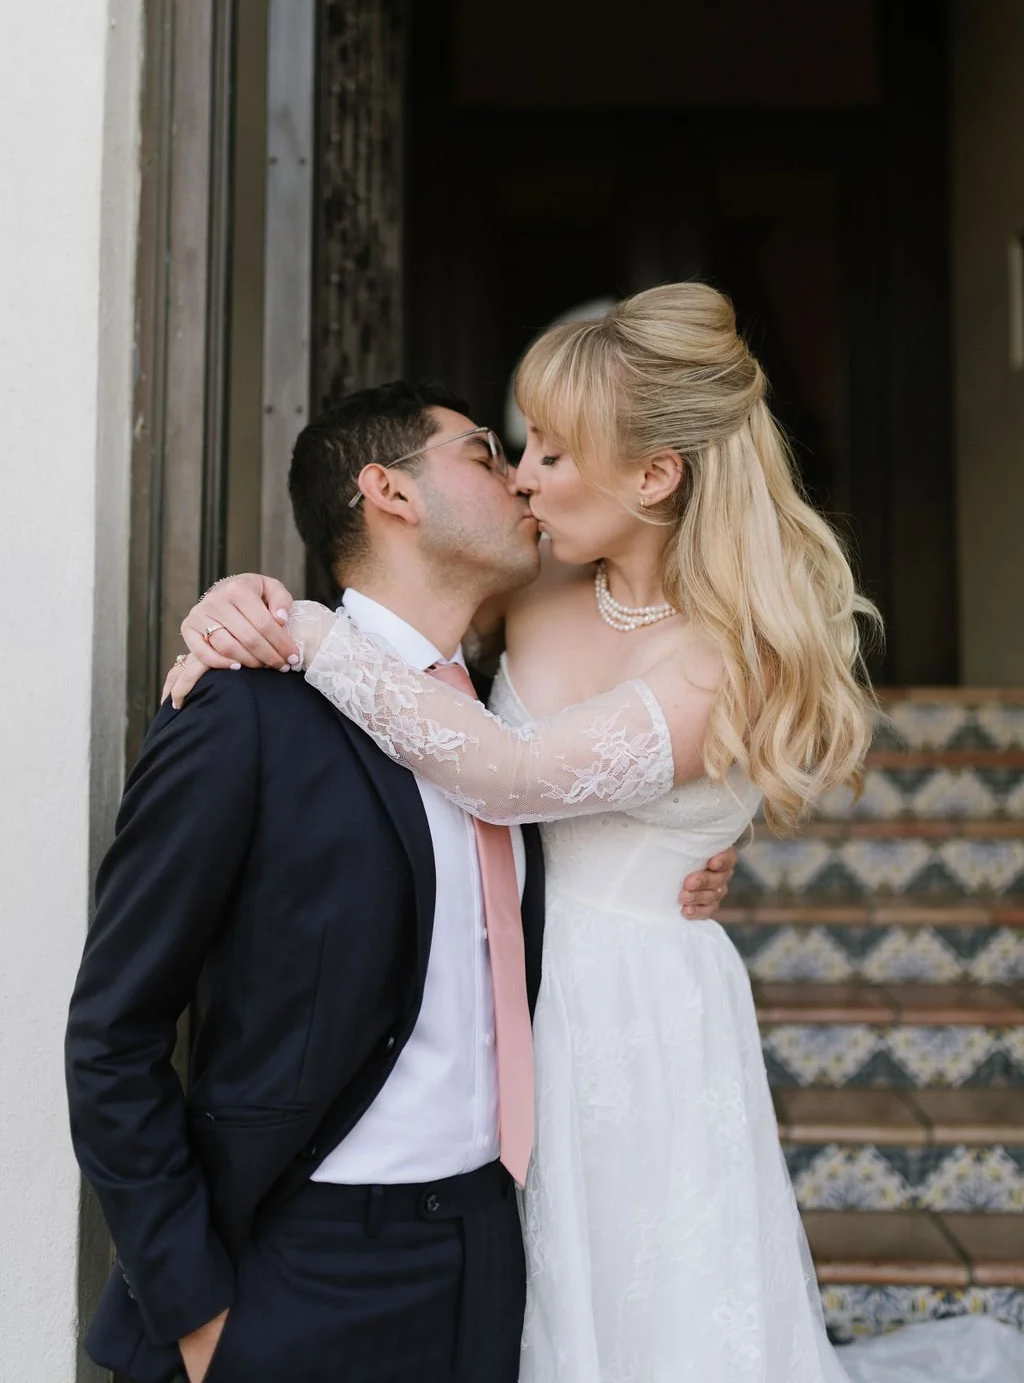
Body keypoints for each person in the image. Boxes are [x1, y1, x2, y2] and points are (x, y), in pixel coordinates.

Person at [178, 284, 1024, 1382]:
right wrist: (245, 603)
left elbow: (511, 773)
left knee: (643, 1315)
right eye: (519, 448)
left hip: (635, 1014)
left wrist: (307, 634)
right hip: (501, 994)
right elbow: (406, 624)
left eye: (552, 454)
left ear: (654, 476)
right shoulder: (529, 589)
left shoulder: (732, 656)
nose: (521, 477)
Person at [66, 379, 735, 1383]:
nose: (521, 479)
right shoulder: (242, 714)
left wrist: (695, 855)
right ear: (388, 492)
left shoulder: (512, 721)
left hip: (490, 1250)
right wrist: (198, 1311)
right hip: (299, 1268)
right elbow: (112, 1035)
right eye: (481, 454)